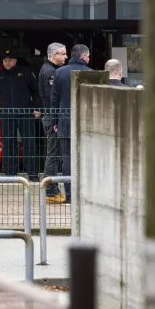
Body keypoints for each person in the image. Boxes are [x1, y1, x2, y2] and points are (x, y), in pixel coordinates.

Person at [0, 50, 42, 181]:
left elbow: (36, 91)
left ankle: (32, 174)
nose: (7, 63)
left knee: (29, 143)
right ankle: (10, 173)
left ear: (15, 61)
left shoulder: (25, 73)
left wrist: (38, 108)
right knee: (8, 143)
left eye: (10, 60)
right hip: (6, 114)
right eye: (5, 60)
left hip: (25, 114)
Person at [51, 44, 92, 204]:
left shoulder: (59, 72)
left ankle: (69, 195)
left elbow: (54, 100)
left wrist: (55, 121)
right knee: (86, 158)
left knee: (66, 158)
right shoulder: (90, 74)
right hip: (85, 122)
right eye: (88, 56)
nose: (88, 59)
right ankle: (85, 194)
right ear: (83, 57)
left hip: (65, 121)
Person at [38, 43, 67, 203]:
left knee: (53, 154)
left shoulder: (47, 69)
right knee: (53, 155)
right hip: (52, 116)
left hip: (50, 115)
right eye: (62, 54)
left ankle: (51, 189)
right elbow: (52, 98)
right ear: (54, 55)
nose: (65, 56)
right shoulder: (50, 72)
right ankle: (51, 191)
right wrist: (56, 118)